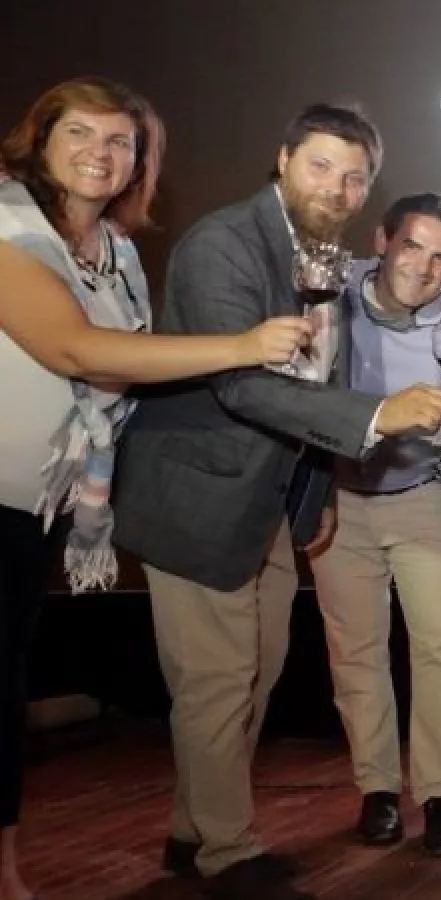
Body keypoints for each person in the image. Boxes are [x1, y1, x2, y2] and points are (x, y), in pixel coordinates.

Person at [113, 103, 441, 900]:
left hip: (268, 498)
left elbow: (315, 376)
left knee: (256, 674)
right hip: (198, 494)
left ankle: (192, 831)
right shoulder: (225, 243)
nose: (338, 187)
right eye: (321, 166)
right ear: (283, 160)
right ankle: (228, 853)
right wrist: (378, 415)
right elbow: (241, 383)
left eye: (355, 177)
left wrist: (319, 485)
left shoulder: (321, 257)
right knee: (220, 679)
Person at [0, 76, 309, 900]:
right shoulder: (6, 225)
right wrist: (242, 345)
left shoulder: (118, 250)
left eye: (120, 141)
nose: (99, 153)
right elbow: (77, 351)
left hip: (42, 502)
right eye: (80, 133)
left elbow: (139, 376)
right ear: (40, 139)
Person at [308, 192, 441, 857]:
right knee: (356, 652)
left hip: (422, 495)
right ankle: (377, 788)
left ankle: (440, 792)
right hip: (338, 498)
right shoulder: (328, 293)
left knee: (439, 646)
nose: (425, 268)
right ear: (382, 241)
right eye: (413, 247)